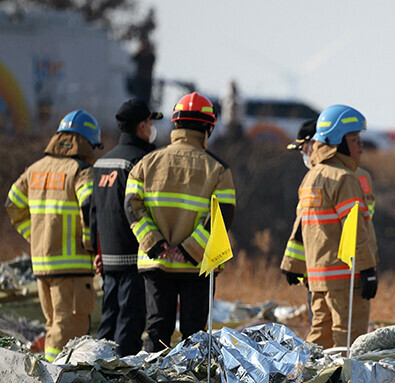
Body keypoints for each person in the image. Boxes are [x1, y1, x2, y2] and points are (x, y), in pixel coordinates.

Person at [125, 92, 236, 352]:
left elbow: (131, 206)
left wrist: (155, 244)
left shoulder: (145, 163)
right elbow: (223, 215)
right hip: (197, 265)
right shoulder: (218, 169)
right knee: (194, 336)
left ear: (176, 125)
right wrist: (188, 250)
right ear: (208, 128)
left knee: (157, 332)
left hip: (156, 262)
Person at [6, 110, 102, 361]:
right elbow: (89, 206)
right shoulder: (81, 171)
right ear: (87, 142)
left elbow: (13, 204)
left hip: (42, 266)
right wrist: (91, 245)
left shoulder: (34, 170)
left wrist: (35, 237)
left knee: (53, 328)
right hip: (72, 269)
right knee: (68, 333)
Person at [280, 119, 378, 328]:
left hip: (326, 271)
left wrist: (292, 264)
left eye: (305, 148)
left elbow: (355, 226)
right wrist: (368, 267)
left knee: (325, 333)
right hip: (341, 271)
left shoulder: (324, 177)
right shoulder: (347, 175)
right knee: (343, 335)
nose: (305, 154)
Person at [90, 99, 163, 357]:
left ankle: (97, 374)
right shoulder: (142, 162)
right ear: (142, 126)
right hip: (136, 258)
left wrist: (96, 252)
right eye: (151, 122)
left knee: (107, 325)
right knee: (129, 328)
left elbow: (93, 211)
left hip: (108, 259)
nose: (153, 128)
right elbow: (147, 209)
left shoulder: (101, 164)